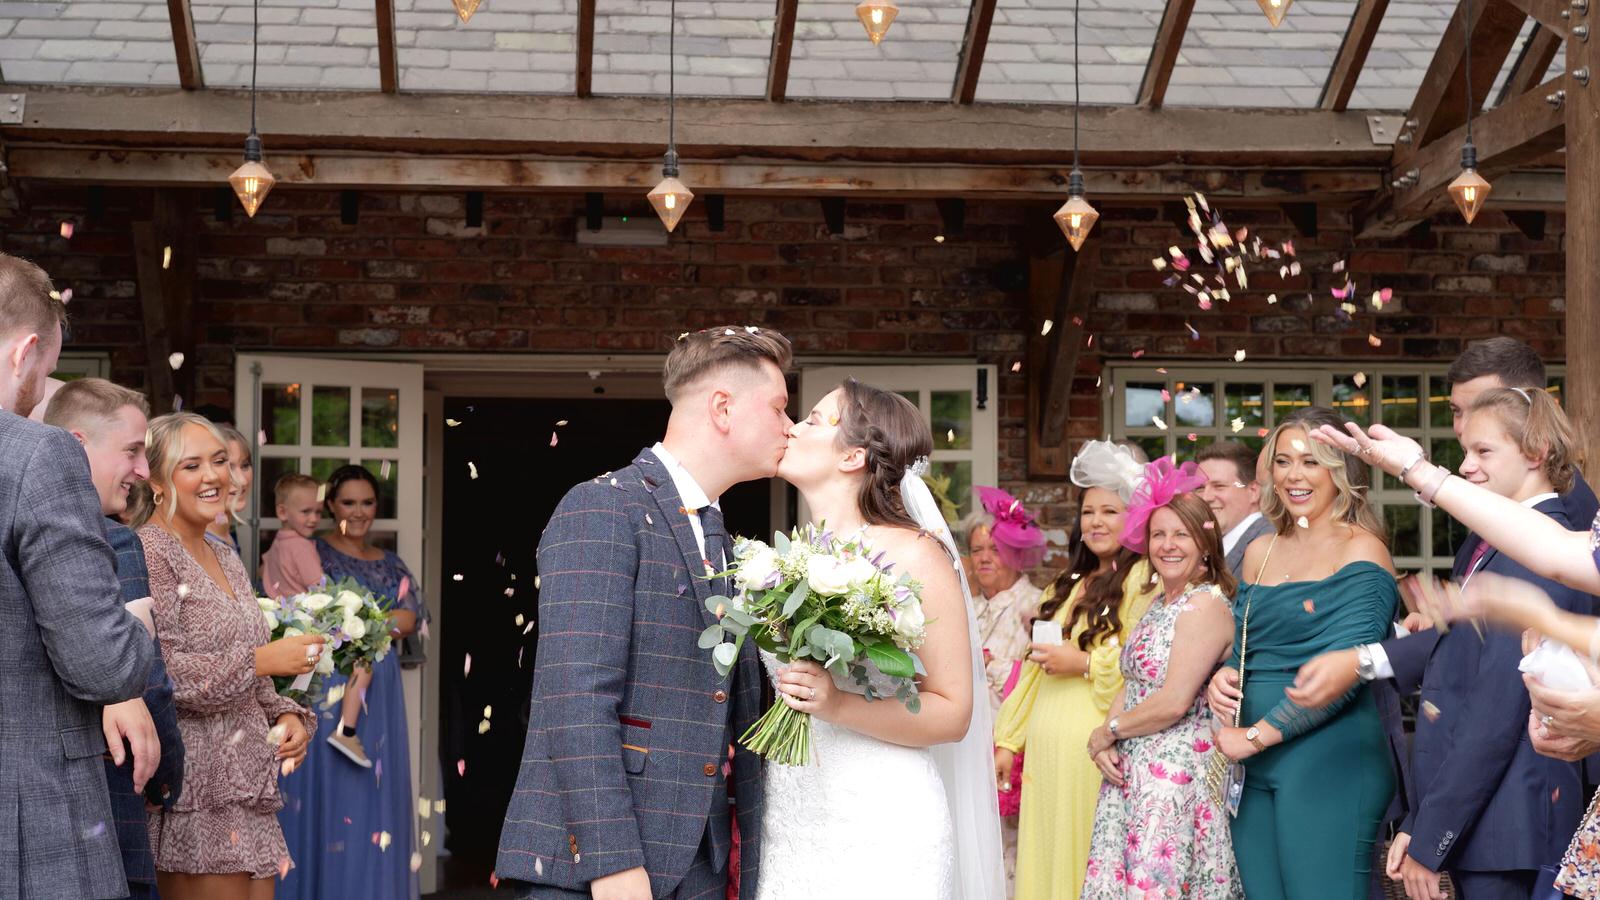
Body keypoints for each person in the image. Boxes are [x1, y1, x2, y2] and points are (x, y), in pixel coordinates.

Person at [496, 326, 791, 900]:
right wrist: (612, 865)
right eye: (780, 407)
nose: (789, 425)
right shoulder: (603, 506)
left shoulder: (722, 539)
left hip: (699, 862)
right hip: (598, 868)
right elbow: (573, 696)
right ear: (723, 408)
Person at [1291, 387, 1587, 898]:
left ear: (1535, 453)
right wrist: (1363, 660)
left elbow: (1494, 715)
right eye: (1465, 452)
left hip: (1509, 826)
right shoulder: (1492, 543)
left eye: (1484, 451)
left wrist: (1431, 838)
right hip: (1490, 825)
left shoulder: (1540, 550)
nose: (1467, 466)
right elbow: (1458, 646)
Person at [757, 378, 1003, 900]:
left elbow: (955, 712)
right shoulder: (783, 561)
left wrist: (837, 703)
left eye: (815, 420)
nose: (793, 427)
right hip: (792, 816)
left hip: (882, 817)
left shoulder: (917, 555)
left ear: (853, 457)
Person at [0, 252, 156, 897]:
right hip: (26, 813)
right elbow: (104, 665)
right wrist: (137, 625)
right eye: (46, 368)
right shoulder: (39, 455)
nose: (43, 388)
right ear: (26, 350)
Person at [1205, 406, 1400, 900]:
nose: (1295, 475)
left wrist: (1255, 735)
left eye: (1312, 462)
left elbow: (1349, 669)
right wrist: (1225, 676)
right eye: (1284, 460)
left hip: (1326, 758)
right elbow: (1248, 645)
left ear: (1341, 473)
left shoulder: (1362, 549)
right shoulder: (1260, 550)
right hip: (1253, 763)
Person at [138, 411, 321, 900]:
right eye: (191, 465)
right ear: (156, 479)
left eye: (219, 461)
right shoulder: (147, 554)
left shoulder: (224, 555)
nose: (214, 475)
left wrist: (289, 718)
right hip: (195, 788)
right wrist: (261, 661)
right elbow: (160, 673)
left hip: (249, 783)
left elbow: (256, 677)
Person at [44, 377, 187, 900]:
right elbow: (145, 677)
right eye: (131, 451)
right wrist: (167, 776)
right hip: (108, 797)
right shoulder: (112, 539)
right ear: (78, 444)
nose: (144, 471)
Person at [994, 440, 1155, 900]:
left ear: (1134, 518)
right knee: (1044, 856)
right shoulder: (1062, 587)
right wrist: (1008, 739)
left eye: (1110, 511)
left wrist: (1084, 662)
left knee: (1086, 857)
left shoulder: (1145, 580)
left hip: (1095, 747)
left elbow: (1145, 662)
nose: (1097, 522)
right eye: (1089, 512)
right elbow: (1032, 672)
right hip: (1046, 751)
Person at [1082, 483, 1242, 898]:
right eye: (1158, 535)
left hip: (1174, 778)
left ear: (1205, 544)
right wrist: (1106, 741)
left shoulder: (1204, 605)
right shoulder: (1160, 601)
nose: (1167, 545)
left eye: (1181, 535)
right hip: (1133, 773)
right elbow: (1132, 680)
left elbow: (1174, 701)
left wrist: (1109, 732)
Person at [277, 464, 426, 900]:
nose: (358, 512)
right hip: (328, 684)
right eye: (348, 502)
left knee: (370, 794)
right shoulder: (313, 553)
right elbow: (297, 607)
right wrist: (366, 624)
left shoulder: (390, 561)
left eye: (367, 502)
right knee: (326, 791)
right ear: (329, 507)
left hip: (379, 690)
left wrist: (362, 621)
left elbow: (409, 617)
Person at [962, 487, 1044, 897]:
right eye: (977, 550)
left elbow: (1040, 679)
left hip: (1012, 741)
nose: (984, 558)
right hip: (968, 739)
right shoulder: (968, 607)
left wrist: (993, 665)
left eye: (994, 548)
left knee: (1011, 844)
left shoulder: (1037, 606)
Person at [260, 473, 372, 768]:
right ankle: (346, 730)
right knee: (363, 661)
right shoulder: (301, 546)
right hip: (310, 624)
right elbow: (320, 586)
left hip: (285, 626)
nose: (313, 519)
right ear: (283, 512)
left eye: (317, 512)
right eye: (306, 512)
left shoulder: (274, 546)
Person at [1196, 441, 1273, 584]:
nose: (1206, 497)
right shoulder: (1203, 545)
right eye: (1200, 488)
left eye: (1219, 486)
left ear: (1253, 491)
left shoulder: (1271, 545)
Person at [208, 423, 255, 552]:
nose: (242, 481)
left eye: (245, 465)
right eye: (229, 468)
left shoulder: (224, 536)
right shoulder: (199, 546)